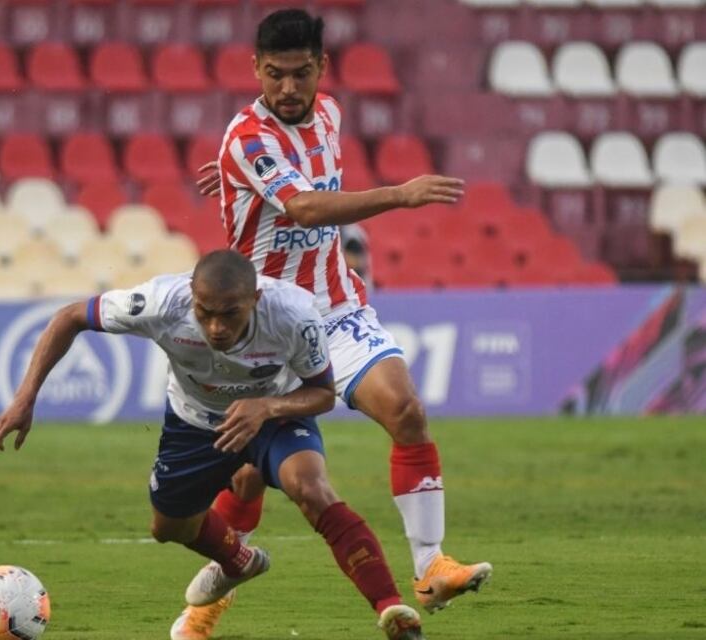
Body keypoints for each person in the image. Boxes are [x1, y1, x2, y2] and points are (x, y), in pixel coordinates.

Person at [173, 9, 492, 640]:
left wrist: (236, 182)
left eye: (300, 73)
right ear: (255, 69)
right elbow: (303, 206)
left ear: (322, 67)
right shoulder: (248, 138)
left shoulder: (330, 115)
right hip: (263, 325)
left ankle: (431, 567)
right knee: (248, 477)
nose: (287, 87)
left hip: (337, 309)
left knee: (406, 410)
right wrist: (399, 194)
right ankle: (204, 609)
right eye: (274, 74)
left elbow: (299, 183)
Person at [0, 250, 427, 640]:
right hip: (194, 423)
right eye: (205, 312)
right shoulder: (161, 302)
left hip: (274, 414)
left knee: (310, 488)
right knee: (168, 527)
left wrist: (266, 408)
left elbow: (323, 394)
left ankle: (392, 609)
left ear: (256, 299)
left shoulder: (294, 314)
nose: (216, 327)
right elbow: (70, 317)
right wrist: (25, 398)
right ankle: (238, 560)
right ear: (191, 295)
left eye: (230, 314)